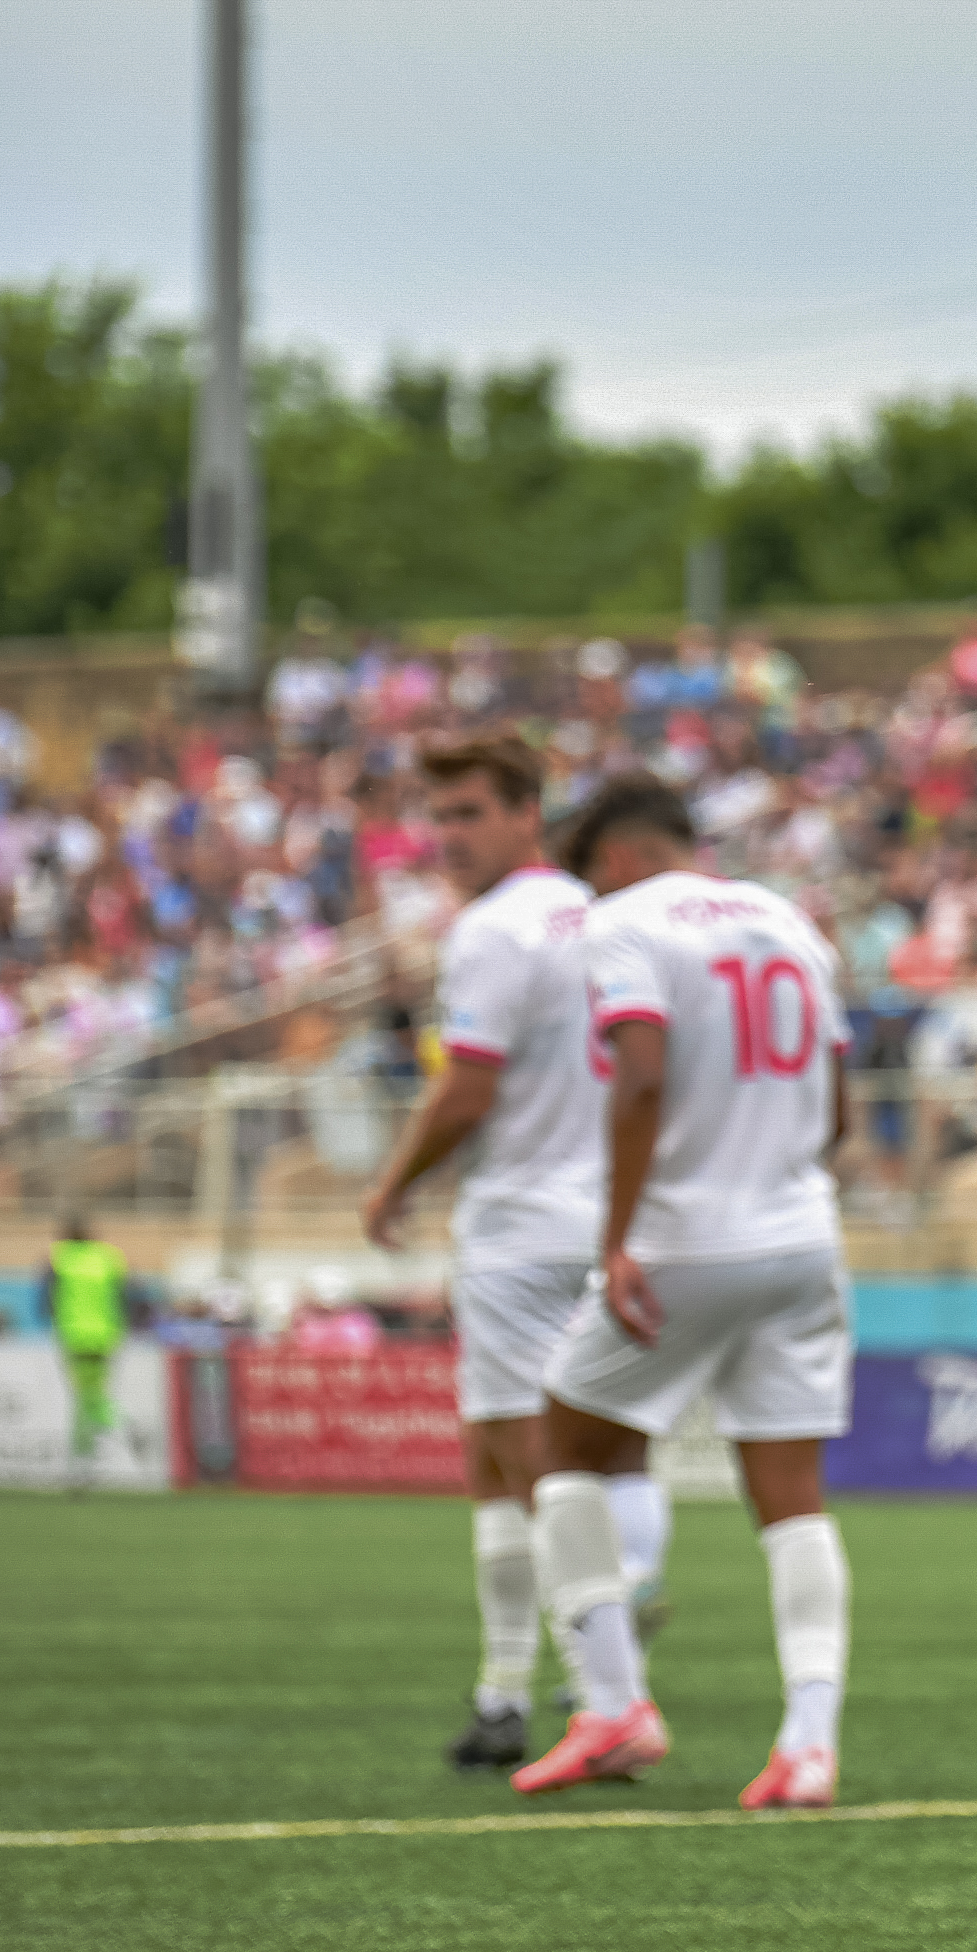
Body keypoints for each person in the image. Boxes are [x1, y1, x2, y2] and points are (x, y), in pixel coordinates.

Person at [507, 777, 859, 1814]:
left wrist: (616, 1240)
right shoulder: (790, 920)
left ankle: (613, 1705)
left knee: (562, 1450)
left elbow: (643, 1078)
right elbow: (838, 1105)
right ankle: (808, 1744)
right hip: (802, 1238)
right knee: (792, 1499)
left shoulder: (621, 923)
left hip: (688, 1239)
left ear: (613, 855)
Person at [360, 737, 665, 1772]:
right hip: (616, 1219)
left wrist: (393, 1181)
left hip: (522, 1223)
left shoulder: (492, 932)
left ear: (528, 812)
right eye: (438, 818)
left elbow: (468, 1088)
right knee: (608, 1449)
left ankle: (584, 1691)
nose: (449, 838)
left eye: (469, 815)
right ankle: (518, 1687)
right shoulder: (608, 917)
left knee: (510, 1459)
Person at [36, 1215, 129, 1474]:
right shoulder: (108, 1257)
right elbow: (123, 1296)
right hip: (105, 1337)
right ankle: (102, 1435)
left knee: (82, 1395)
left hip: (74, 1336)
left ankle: (89, 1449)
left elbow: (47, 1298)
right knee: (96, 1391)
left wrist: (52, 1320)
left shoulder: (59, 1258)